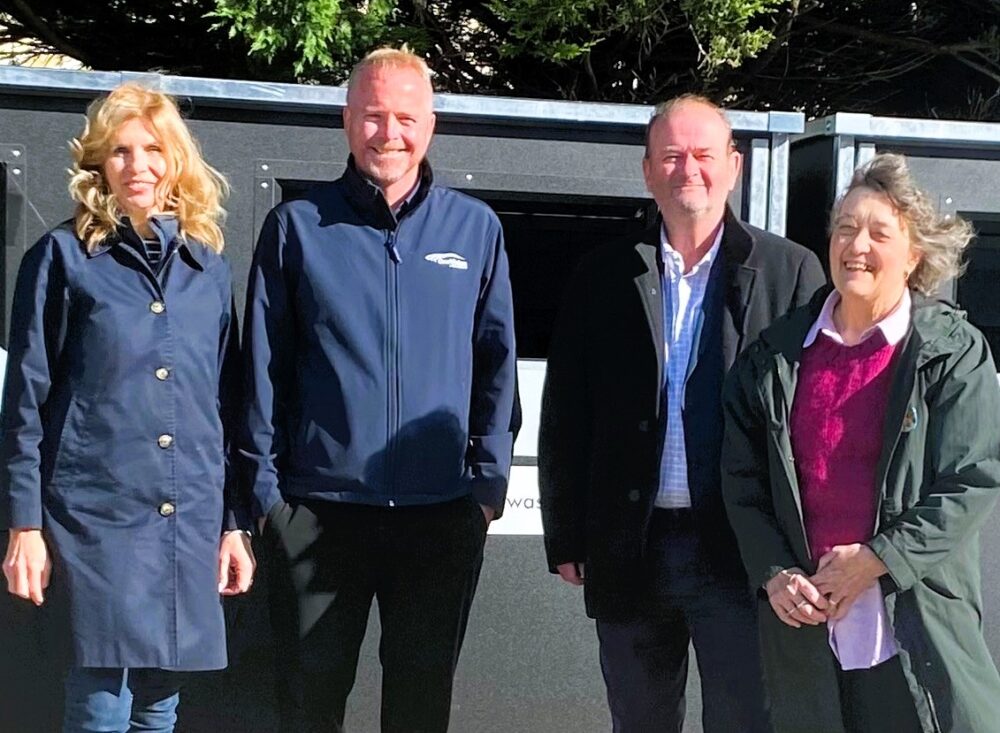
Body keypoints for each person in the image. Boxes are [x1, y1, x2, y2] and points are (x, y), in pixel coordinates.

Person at [242, 47, 519, 733]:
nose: (388, 133)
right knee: (308, 706)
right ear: (345, 120)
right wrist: (269, 498)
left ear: (430, 124)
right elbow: (263, 367)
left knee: (420, 710)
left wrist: (485, 487)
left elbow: (496, 365)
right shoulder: (297, 228)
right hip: (319, 512)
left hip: (439, 512)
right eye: (372, 115)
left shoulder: (474, 229)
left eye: (404, 117)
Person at [538, 94, 824, 732]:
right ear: (647, 171)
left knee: (746, 720)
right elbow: (566, 414)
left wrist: (803, 545)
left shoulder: (792, 272)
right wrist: (565, 533)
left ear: (734, 165)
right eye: (671, 156)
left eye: (702, 155)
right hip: (630, 546)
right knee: (638, 721)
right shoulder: (602, 275)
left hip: (743, 553)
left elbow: (812, 422)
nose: (687, 169)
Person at [0, 83, 255, 733]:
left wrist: (233, 523)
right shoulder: (62, 259)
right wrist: (24, 526)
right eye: (120, 151)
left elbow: (225, 403)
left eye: (151, 149)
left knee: (158, 701)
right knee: (100, 700)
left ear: (176, 160)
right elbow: (25, 403)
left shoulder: (209, 269)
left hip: (187, 518)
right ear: (98, 164)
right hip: (95, 522)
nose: (137, 165)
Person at [722, 152, 1000, 733]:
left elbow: (970, 481)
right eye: (845, 228)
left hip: (912, 626)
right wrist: (774, 572)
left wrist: (875, 561)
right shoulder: (776, 356)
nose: (856, 245)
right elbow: (743, 484)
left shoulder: (953, 352)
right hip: (805, 634)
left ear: (914, 255)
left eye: (879, 232)